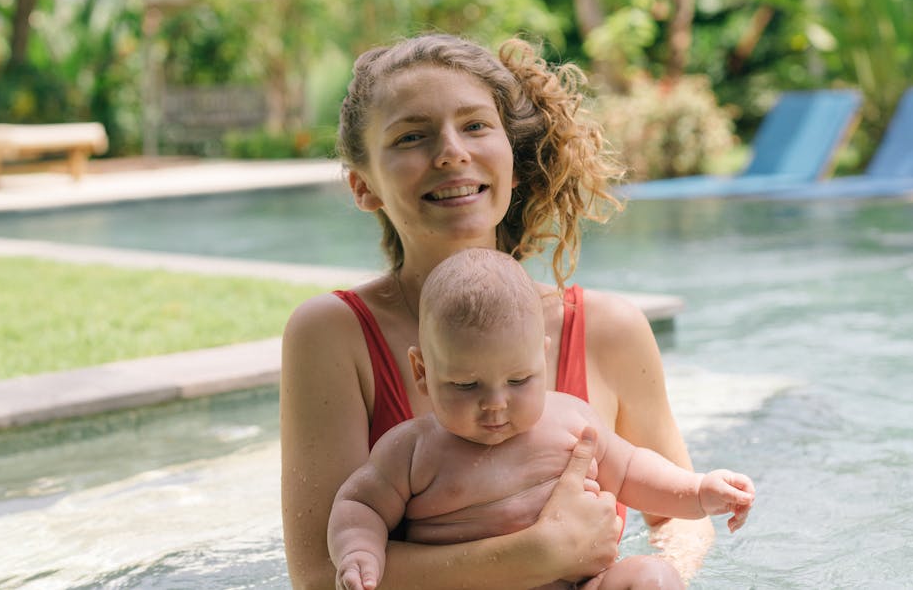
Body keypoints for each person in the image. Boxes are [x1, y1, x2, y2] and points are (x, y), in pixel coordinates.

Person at [281, 33, 716, 589]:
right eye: (412, 136)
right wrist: (538, 553)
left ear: (512, 158)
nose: (450, 152)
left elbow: (679, 516)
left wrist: (653, 578)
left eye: (475, 126)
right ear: (364, 186)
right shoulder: (334, 334)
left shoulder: (610, 330)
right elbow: (320, 579)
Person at [326, 248, 755, 590]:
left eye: (518, 380)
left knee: (654, 579)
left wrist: (697, 490)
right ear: (422, 372)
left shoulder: (570, 421)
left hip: (582, 583)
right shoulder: (411, 450)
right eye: (466, 386)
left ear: (542, 360)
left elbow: (632, 470)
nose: (495, 404)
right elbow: (359, 503)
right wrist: (359, 550)